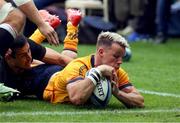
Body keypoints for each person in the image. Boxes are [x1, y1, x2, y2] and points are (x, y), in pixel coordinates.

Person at [43, 32, 144, 108]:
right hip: (43, 79)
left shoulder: (116, 71)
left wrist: (118, 93)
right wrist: (98, 71)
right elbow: (77, 98)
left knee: (67, 57)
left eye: (122, 57)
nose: (120, 62)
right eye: (116, 56)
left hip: (62, 72)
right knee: (31, 58)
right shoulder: (79, 66)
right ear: (101, 52)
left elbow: (140, 102)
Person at [0, 9, 81, 100]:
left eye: (29, 52)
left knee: (64, 63)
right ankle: (70, 26)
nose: (29, 57)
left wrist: (87, 68)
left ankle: (63, 26)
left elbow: (60, 59)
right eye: (23, 55)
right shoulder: (3, 71)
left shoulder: (27, 45)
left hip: (39, 74)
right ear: (8, 56)